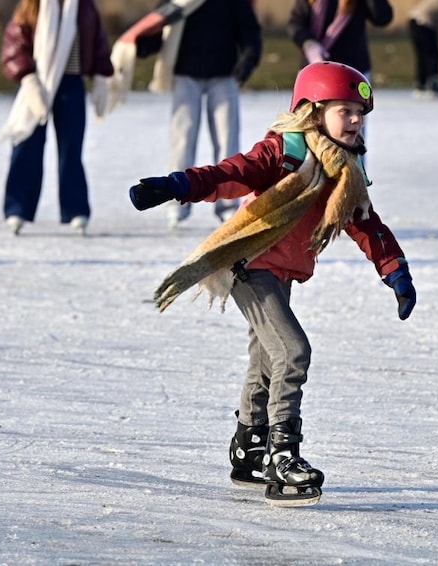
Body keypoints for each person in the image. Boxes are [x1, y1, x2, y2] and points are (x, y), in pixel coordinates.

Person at [127, 62, 416, 506]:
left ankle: (248, 447)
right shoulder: (284, 152)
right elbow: (230, 174)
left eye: (361, 112)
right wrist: (176, 185)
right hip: (250, 264)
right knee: (293, 350)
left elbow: (365, 224)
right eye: (346, 111)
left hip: (283, 273)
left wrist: (395, 271)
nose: (357, 120)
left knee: (267, 359)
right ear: (314, 110)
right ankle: (284, 453)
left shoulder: (347, 171)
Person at [111, 0, 262, 230]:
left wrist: (244, 67)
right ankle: (175, 203)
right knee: (183, 137)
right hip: (186, 75)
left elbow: (250, 34)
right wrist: (139, 45)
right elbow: (160, 23)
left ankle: (228, 205)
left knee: (227, 140)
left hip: (222, 75)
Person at [0, 0, 113, 237]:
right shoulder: (33, 2)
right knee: (27, 146)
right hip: (37, 84)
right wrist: (27, 79)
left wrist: (101, 77)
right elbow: (15, 43)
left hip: (71, 85)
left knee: (71, 150)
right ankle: (16, 210)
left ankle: (76, 211)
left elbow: (99, 41)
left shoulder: (84, 3)